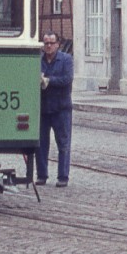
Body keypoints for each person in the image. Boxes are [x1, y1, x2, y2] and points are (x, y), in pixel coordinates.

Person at [37, 31, 73, 187]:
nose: (49, 46)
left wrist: (48, 81)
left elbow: (67, 79)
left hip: (61, 108)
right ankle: (41, 175)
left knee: (63, 144)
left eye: (51, 43)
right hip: (43, 109)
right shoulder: (38, 60)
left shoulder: (66, 59)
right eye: (46, 43)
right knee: (40, 144)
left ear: (58, 44)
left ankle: (63, 177)